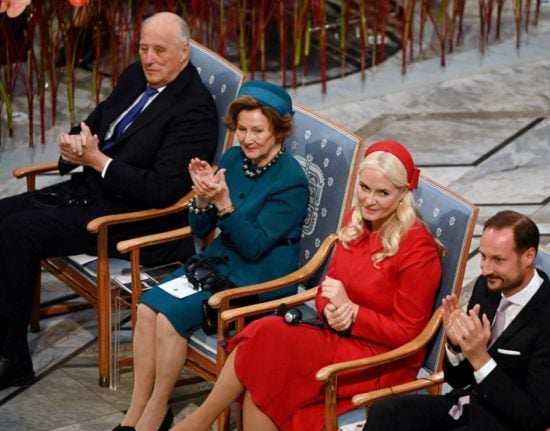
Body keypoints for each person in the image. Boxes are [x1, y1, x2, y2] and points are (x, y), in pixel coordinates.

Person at [0, 11, 219, 391]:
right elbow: (97, 121)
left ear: (183, 53)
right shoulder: (138, 75)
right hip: (89, 191)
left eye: (159, 51)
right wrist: (73, 145)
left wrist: (99, 162)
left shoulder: (194, 111)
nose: (148, 58)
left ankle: (13, 358)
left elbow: (161, 191)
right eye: (143, 48)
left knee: (17, 232)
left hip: (133, 219)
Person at [171, 140, 443, 431]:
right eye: (364, 188)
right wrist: (331, 310)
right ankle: (198, 423)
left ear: (403, 194)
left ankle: (194, 425)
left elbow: (409, 333)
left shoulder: (418, 248)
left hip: (380, 358)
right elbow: (328, 286)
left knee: (266, 377)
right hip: (336, 335)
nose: (369, 200)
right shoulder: (357, 220)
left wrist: (353, 314)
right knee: (264, 335)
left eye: (383, 193)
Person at [114, 80, 310, 431]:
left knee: (167, 317)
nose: (247, 138)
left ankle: (156, 413)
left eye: (258, 131)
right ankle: (137, 410)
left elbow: (255, 246)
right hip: (217, 263)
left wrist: (224, 204)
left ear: (279, 130)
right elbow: (198, 224)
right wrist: (203, 198)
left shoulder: (291, 181)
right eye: (242, 129)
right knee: (146, 308)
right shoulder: (235, 157)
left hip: (257, 279)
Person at [364, 210, 550, 431]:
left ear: (528, 257)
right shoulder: (487, 289)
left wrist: (480, 357)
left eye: (498, 260)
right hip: (469, 406)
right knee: (385, 413)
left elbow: (534, 417)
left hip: (508, 424)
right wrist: (457, 345)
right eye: (483, 256)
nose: (486, 269)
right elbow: (458, 380)